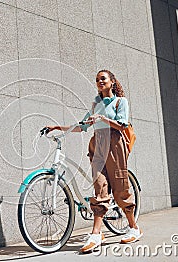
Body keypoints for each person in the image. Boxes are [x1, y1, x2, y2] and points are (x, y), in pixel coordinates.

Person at [46, 70, 142, 253]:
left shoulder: (120, 102)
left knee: (120, 188)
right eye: (97, 80)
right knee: (100, 188)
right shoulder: (96, 104)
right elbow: (82, 126)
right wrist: (58, 127)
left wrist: (103, 118)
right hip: (97, 144)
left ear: (112, 81)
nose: (99, 82)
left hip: (114, 143)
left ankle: (134, 227)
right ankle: (96, 234)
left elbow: (123, 125)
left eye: (103, 79)